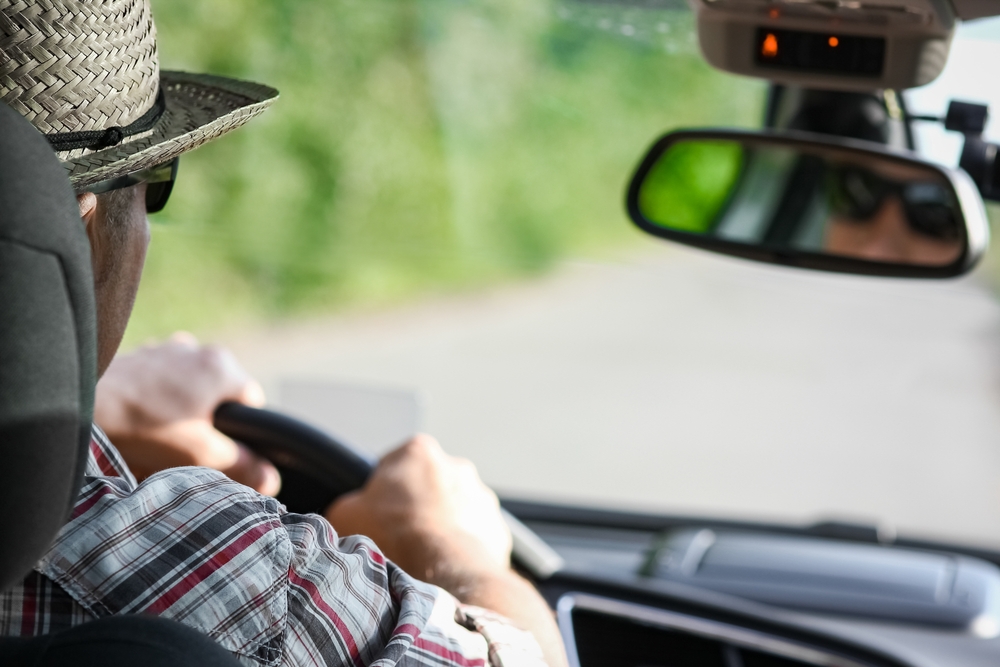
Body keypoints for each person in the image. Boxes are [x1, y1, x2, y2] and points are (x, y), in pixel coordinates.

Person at [0, 2, 566, 666]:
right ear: (69, 231)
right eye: (156, 182)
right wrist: (451, 552)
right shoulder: (248, 588)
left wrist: (85, 415)